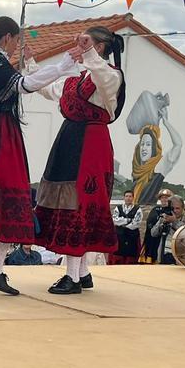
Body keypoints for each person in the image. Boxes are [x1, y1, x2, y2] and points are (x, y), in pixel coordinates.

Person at [0, 16, 79, 295]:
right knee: (11, 199)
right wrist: (62, 67)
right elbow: (26, 85)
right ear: (8, 38)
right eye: (16, 41)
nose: (15, 47)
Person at [33, 28, 126, 295]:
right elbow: (49, 89)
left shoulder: (111, 76)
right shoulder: (76, 79)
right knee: (66, 202)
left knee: (79, 204)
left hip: (91, 145)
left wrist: (88, 54)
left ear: (99, 48)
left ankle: (72, 277)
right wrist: (30, 64)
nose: (80, 46)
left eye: (87, 43)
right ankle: (82, 272)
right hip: (69, 140)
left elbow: (102, 75)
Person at [130, 99, 183, 205]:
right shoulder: (137, 171)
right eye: (142, 144)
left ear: (154, 148)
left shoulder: (158, 167)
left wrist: (166, 123)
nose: (144, 148)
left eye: (148, 145)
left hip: (148, 212)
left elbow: (178, 145)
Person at [149, 195, 185, 265]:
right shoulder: (165, 216)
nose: (175, 211)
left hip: (181, 255)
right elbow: (153, 233)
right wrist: (162, 223)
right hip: (165, 253)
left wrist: (174, 222)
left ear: (183, 208)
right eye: (172, 208)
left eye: (177, 208)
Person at [140, 189, 174, 263]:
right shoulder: (155, 210)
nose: (164, 199)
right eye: (162, 197)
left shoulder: (174, 210)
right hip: (154, 239)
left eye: (167, 197)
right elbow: (149, 223)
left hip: (168, 240)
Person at [110, 190, 143, 265]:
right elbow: (115, 220)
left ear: (133, 198)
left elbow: (136, 223)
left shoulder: (138, 209)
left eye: (130, 196)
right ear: (124, 198)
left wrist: (122, 223)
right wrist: (128, 220)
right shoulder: (118, 208)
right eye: (126, 196)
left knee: (131, 254)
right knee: (119, 252)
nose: (128, 198)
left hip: (132, 236)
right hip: (120, 235)